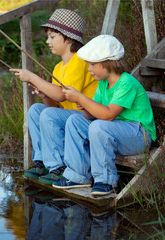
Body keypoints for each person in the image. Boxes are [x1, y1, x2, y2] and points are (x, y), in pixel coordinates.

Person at [52, 35, 156, 196]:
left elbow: (108, 115)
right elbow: (92, 115)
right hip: (114, 129)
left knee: (99, 126)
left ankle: (106, 181)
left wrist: (81, 98)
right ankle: (78, 176)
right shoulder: (103, 84)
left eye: (92, 65)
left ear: (109, 63)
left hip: (138, 134)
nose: (89, 69)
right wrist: (84, 106)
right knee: (74, 120)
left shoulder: (126, 83)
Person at [10, 9, 98, 184]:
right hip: (70, 118)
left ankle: (59, 167)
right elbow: (55, 107)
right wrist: (45, 96)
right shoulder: (59, 68)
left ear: (69, 38)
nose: (47, 41)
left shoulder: (80, 61)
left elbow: (61, 94)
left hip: (87, 119)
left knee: (47, 114)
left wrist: (33, 77)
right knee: (36, 110)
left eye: (52, 36)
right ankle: (42, 161)